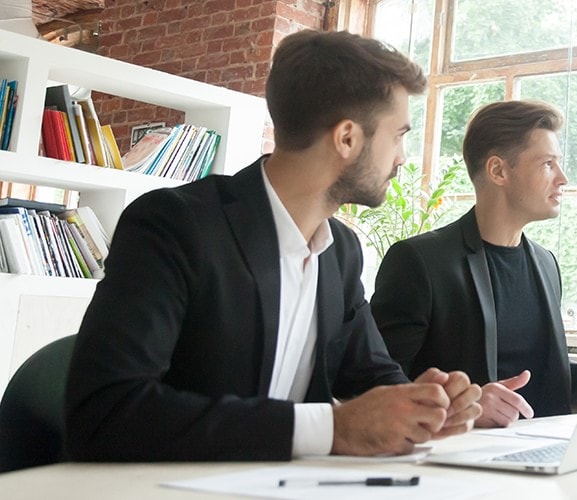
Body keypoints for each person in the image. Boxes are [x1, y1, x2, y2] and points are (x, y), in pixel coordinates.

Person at [64, 30, 482, 462]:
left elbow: (370, 375)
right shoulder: (174, 226)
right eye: (399, 135)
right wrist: (333, 428)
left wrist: (431, 404)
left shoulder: (340, 251)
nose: (402, 157)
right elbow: (106, 414)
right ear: (347, 138)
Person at [371, 100, 577, 428]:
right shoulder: (420, 262)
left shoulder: (546, 264)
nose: (563, 178)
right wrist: (462, 407)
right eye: (547, 164)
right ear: (498, 170)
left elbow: (552, 380)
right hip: (455, 462)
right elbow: (375, 387)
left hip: (542, 457)